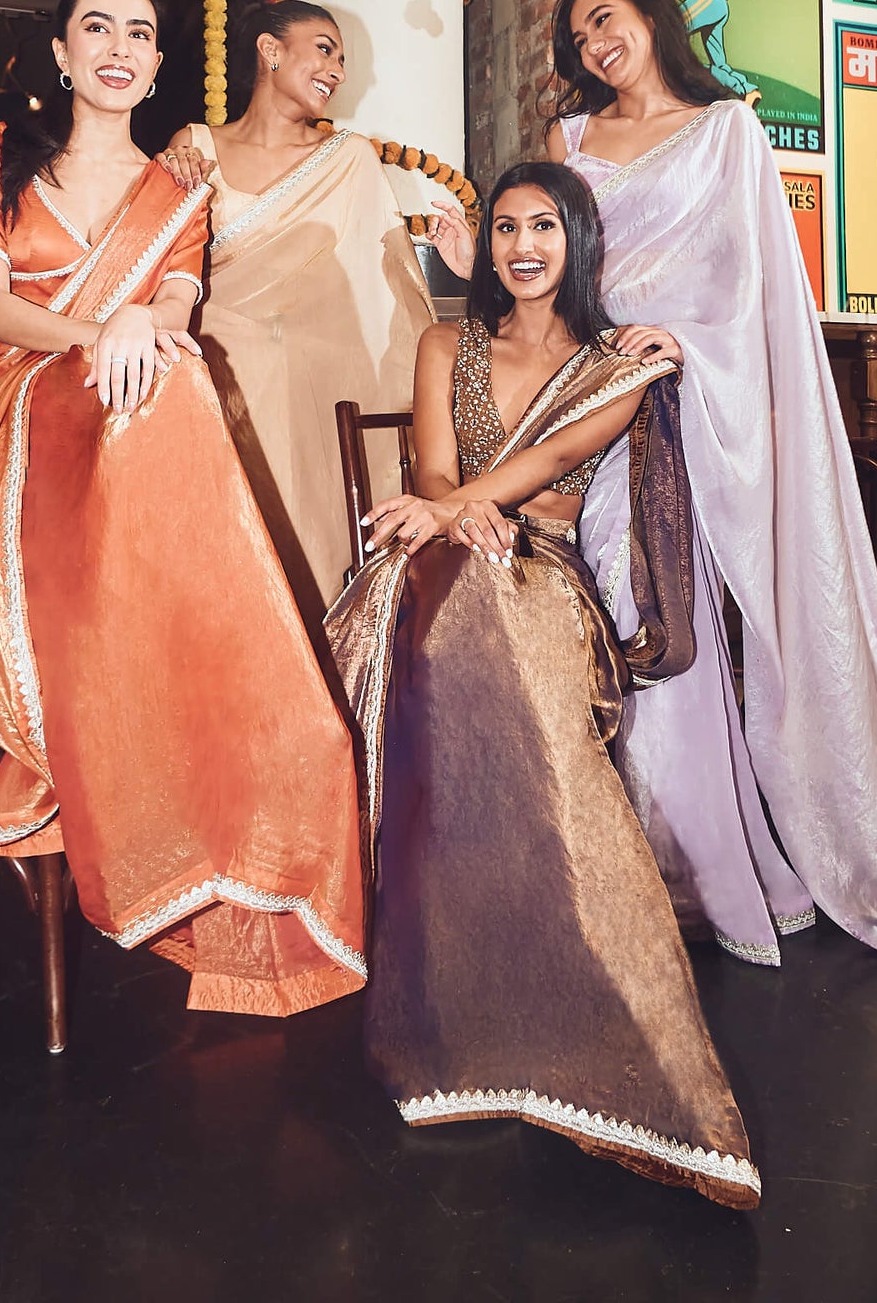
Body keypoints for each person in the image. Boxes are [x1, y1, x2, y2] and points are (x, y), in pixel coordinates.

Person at [429, 0, 877, 975]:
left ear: (652, 16)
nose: (593, 45)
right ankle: (586, 852)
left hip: (670, 400)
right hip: (576, 388)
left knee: (655, 615)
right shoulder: (570, 142)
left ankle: (684, 869)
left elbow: (749, 288)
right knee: (592, 610)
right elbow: (551, 268)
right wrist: (467, 266)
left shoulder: (728, 132)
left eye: (605, 20)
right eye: (577, 37)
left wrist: (686, 342)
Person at [0, 0, 365, 1015]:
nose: (119, 47)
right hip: (7, 404)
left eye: (141, 34)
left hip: (128, 406)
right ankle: (136, 717)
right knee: (161, 386)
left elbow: (177, 311)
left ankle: (249, 733)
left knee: (173, 382)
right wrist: (103, 330)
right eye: (98, 28)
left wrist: (138, 331)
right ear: (62, 54)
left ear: (158, 66)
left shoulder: (179, 189)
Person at [326, 162, 761, 1211]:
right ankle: (452, 1003)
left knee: (489, 610)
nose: (523, 246)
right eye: (507, 228)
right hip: (440, 556)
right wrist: (453, 511)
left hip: (546, 572)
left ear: (577, 240)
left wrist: (470, 509)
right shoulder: (446, 343)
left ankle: (612, 1030)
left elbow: (564, 450)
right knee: (450, 596)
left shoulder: (612, 366)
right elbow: (433, 469)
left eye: (544, 227)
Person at [159, 0, 435, 633]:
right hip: (219, 385)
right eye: (324, 49)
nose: (337, 70)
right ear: (270, 50)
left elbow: (390, 283)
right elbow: (160, 264)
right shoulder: (194, 147)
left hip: (316, 391)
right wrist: (164, 182)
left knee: (313, 560)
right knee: (222, 558)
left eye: (343, 59)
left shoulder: (347, 158)